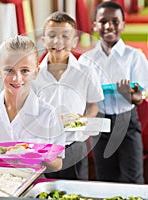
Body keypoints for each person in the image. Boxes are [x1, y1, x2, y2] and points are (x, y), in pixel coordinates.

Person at [78, 1, 148, 183]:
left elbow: (143, 94)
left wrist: (133, 96)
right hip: (100, 123)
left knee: (134, 178)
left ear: (123, 24)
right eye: (103, 21)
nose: (109, 26)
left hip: (126, 122)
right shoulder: (86, 60)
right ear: (94, 25)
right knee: (106, 179)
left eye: (115, 21)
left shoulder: (134, 56)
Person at [0, 35, 65, 172]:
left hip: (32, 183)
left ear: (36, 72)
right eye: (9, 70)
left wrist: (35, 155)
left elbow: (58, 164)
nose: (16, 78)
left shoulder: (49, 113)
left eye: (24, 71)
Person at [31, 11, 104, 180]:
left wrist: (84, 119)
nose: (58, 42)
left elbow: (93, 105)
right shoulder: (33, 75)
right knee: (43, 190)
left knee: (75, 191)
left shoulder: (86, 72)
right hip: (42, 145)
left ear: (74, 41)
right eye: (52, 35)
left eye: (65, 36)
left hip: (75, 144)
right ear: (43, 40)